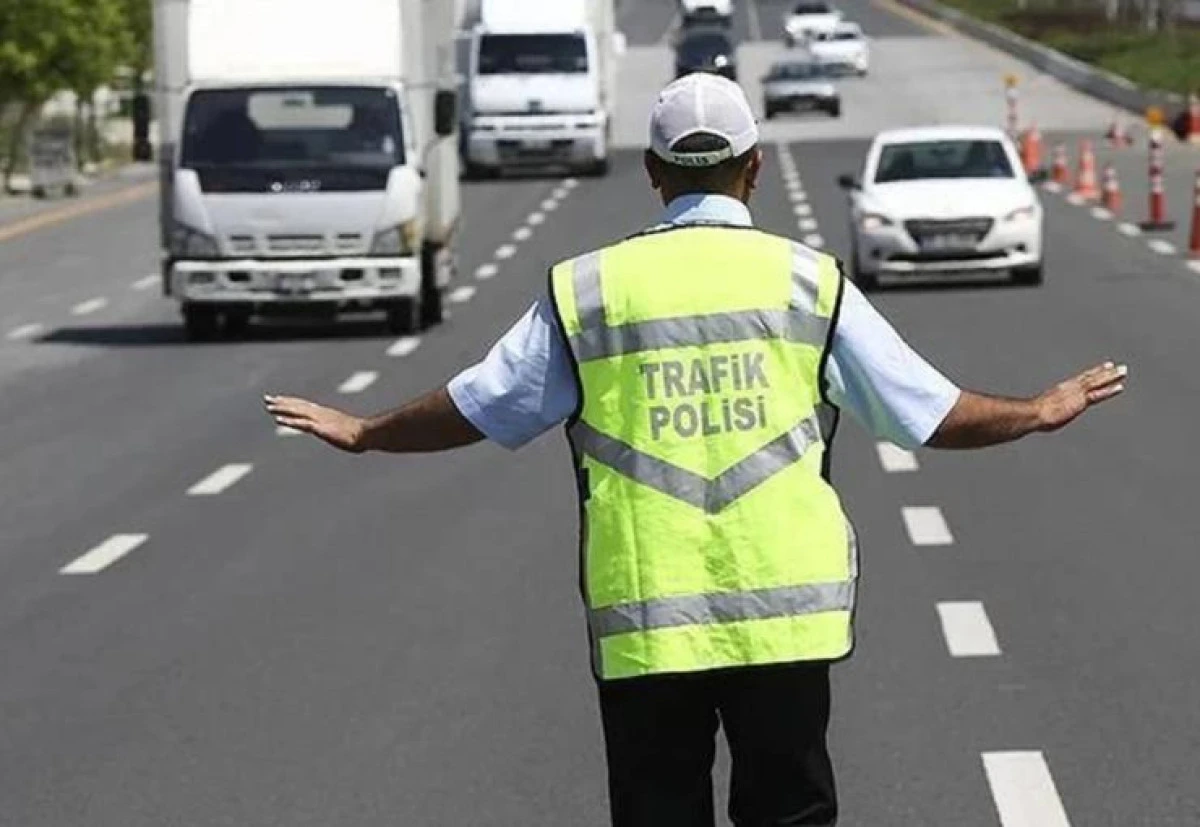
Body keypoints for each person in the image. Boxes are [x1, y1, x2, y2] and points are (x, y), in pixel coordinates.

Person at [264, 74, 1127, 827]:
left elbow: (482, 405)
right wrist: (1038, 408)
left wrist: (366, 432)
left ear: (652, 175)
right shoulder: (807, 281)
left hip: (648, 620)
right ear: (753, 170)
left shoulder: (591, 290)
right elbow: (927, 413)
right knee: (789, 811)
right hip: (785, 620)